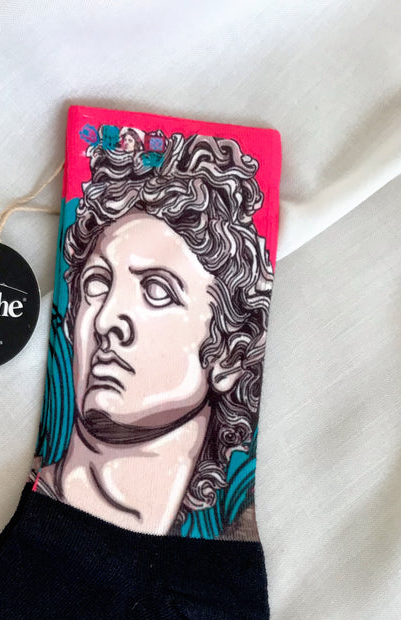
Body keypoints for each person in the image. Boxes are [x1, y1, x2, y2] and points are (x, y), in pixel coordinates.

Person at [32, 128, 274, 538]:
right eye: (97, 283)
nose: (106, 320)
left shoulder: (228, 537)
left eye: (157, 291)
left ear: (228, 357)